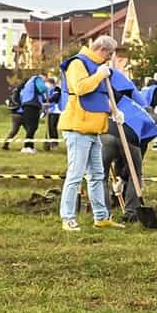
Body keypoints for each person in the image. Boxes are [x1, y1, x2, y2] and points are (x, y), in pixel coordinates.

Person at [53, 36, 119, 231]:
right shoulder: (78, 63)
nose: (110, 58)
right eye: (109, 53)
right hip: (77, 128)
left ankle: (101, 217)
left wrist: (113, 110)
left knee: (98, 175)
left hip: (93, 129)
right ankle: (68, 218)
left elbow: (96, 97)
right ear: (100, 48)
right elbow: (80, 88)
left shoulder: (97, 66)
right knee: (75, 175)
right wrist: (99, 75)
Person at [104, 55, 157, 223]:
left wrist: (121, 175)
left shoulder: (112, 97)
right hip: (130, 136)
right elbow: (140, 147)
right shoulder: (144, 114)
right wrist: (126, 175)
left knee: (100, 174)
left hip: (106, 134)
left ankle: (103, 212)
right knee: (135, 173)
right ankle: (131, 212)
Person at [2, 73, 41, 151]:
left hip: (15, 114)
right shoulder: (27, 92)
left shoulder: (18, 90)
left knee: (14, 131)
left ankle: (6, 144)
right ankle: (29, 146)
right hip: (22, 113)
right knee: (30, 130)